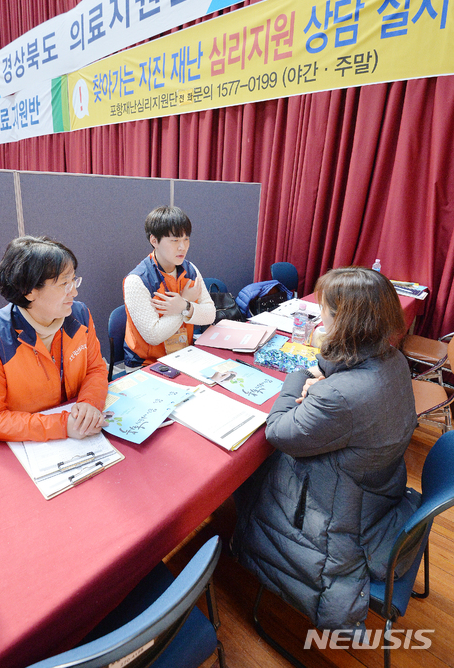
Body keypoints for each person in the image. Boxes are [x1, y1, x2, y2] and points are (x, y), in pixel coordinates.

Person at [232, 266, 421, 633]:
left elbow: (278, 432)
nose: (320, 319)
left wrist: (300, 376)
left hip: (339, 520)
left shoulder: (342, 396)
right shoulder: (393, 360)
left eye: (326, 312)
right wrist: (328, 377)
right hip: (377, 491)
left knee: (250, 466)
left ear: (349, 322)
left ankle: (239, 540)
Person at [0, 236, 108, 442]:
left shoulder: (79, 315)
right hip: (30, 445)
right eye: (64, 284)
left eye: (74, 280)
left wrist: (90, 402)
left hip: (81, 433)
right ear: (29, 292)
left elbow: (95, 368)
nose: (75, 291)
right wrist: (61, 426)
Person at [123, 206, 215, 370]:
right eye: (175, 240)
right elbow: (154, 335)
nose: (182, 247)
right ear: (154, 241)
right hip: (147, 364)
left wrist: (184, 306)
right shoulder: (136, 281)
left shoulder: (190, 269)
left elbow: (210, 315)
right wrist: (186, 305)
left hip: (184, 355)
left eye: (186, 239)